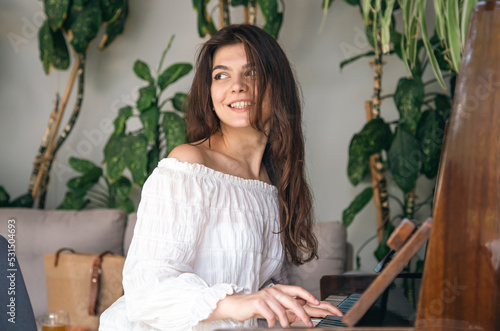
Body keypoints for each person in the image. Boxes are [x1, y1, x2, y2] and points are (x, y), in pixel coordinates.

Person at [99, 24, 342, 331]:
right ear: (211, 93)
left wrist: (275, 301)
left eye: (251, 72)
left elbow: (240, 280)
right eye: (221, 75)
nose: (236, 85)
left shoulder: (272, 181)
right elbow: (146, 288)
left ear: (277, 85)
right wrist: (241, 303)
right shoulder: (189, 165)